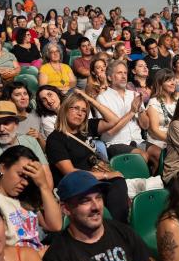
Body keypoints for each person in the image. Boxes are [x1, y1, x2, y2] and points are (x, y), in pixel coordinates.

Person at [45, 90, 129, 221]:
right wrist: (106, 175)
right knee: (115, 183)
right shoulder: (55, 139)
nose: (80, 113)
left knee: (117, 182)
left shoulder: (86, 128)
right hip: (75, 183)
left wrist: (89, 99)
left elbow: (113, 120)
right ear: (65, 109)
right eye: (76, 108)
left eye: (84, 110)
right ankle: (119, 229)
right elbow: (70, 172)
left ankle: (119, 229)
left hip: (94, 178)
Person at [0, 145, 62, 250]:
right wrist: (35, 256)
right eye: (20, 175)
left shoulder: (24, 197)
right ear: (3, 168)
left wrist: (43, 186)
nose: (25, 183)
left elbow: (55, 226)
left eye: (29, 178)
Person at [0, 100, 51, 184]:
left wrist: (46, 193)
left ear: (16, 124)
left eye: (6, 123)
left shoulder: (30, 141)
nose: (1, 129)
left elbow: (46, 174)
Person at [97, 60, 148, 160]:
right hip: (115, 143)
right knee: (142, 156)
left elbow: (145, 126)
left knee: (159, 154)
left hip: (138, 140)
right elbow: (110, 132)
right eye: (119, 73)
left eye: (125, 73)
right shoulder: (102, 98)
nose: (124, 76)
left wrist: (140, 110)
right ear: (109, 77)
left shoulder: (135, 95)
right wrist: (132, 112)